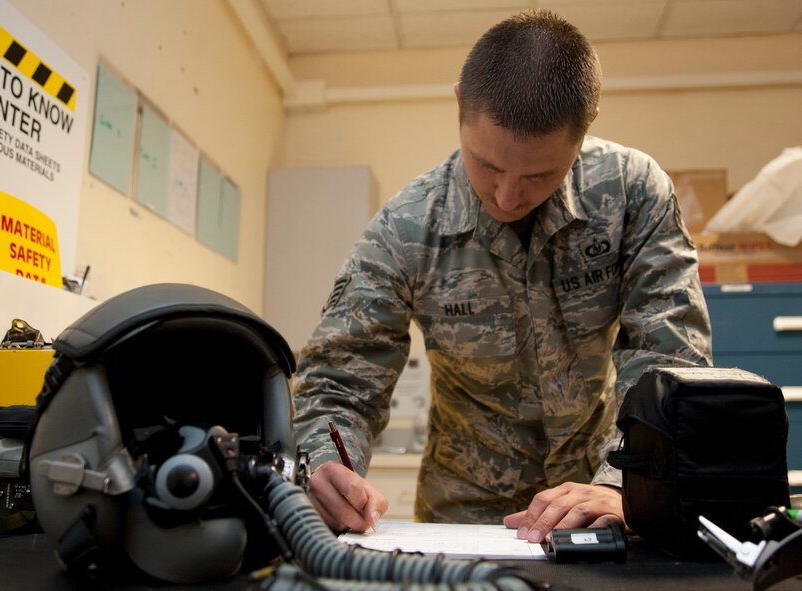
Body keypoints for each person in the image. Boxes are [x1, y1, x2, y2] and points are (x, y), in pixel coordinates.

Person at [291, 9, 712, 544]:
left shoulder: (632, 194)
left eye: (539, 175)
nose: (507, 197)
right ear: (460, 105)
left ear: (586, 129)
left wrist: (627, 485)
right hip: (461, 517)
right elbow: (339, 381)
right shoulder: (406, 227)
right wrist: (327, 465)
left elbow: (669, 358)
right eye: (485, 165)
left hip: (597, 503)